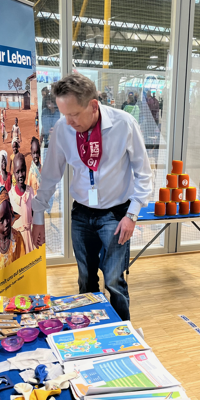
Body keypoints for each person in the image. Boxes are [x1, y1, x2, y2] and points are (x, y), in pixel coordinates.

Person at [31, 73, 152, 321]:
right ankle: (90, 333)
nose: (69, 121)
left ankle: (122, 335)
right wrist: (38, 216)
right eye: (64, 113)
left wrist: (132, 214)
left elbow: (144, 174)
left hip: (116, 215)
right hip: (82, 215)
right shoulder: (63, 131)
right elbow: (50, 176)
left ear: (93, 105)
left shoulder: (124, 124)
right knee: (85, 280)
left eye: (74, 114)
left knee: (114, 281)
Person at [0, 186, 26, 277]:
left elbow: (23, 269)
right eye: (1, 220)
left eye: (8, 216)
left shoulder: (17, 239)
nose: (6, 223)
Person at [9, 153, 35, 254]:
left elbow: (34, 214)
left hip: (30, 238)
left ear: (26, 169)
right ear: (13, 174)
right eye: (17, 172)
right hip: (17, 241)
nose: (20, 175)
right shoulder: (10, 196)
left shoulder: (30, 192)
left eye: (22, 171)